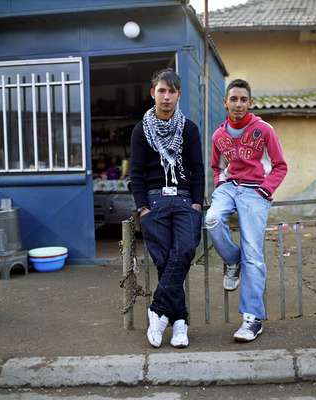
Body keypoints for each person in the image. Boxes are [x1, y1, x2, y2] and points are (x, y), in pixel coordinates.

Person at [205, 79, 287, 342]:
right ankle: (232, 260)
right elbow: (216, 167)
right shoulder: (218, 135)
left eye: (243, 99)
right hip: (229, 187)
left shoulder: (263, 130)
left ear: (250, 103)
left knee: (253, 252)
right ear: (225, 102)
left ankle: (252, 319)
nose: (238, 104)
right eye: (233, 99)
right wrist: (220, 185)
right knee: (212, 219)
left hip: (255, 191)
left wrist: (265, 190)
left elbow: (280, 166)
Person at [130, 68, 204, 348]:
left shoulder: (189, 129)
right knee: (165, 262)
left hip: (185, 200)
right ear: (153, 93)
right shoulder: (141, 130)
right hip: (154, 202)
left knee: (184, 251)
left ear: (178, 95)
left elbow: (197, 170)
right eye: (161, 90)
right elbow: (136, 173)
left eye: (171, 91)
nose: (166, 97)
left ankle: (157, 311)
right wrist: (143, 209)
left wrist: (196, 204)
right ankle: (181, 323)